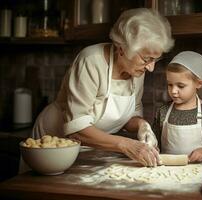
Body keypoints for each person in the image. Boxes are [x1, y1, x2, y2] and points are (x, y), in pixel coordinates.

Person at [31, 8, 174, 167]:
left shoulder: (138, 70)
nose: (151, 67)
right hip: (52, 143)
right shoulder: (91, 61)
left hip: (89, 148)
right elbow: (77, 128)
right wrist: (127, 145)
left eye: (155, 59)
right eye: (147, 59)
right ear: (122, 48)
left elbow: (130, 115)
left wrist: (142, 125)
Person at [152, 51, 202, 162]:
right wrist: (152, 147)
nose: (173, 91)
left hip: (200, 170)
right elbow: (154, 141)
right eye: (170, 84)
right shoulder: (162, 111)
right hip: (167, 171)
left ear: (199, 84)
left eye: (180, 86)